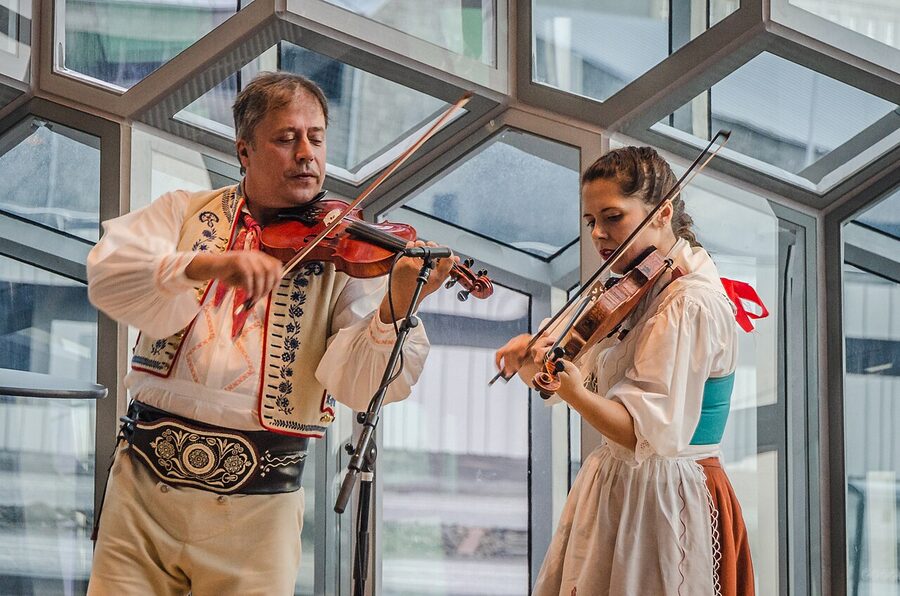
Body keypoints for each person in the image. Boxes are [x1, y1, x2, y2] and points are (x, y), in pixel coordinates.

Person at [85, 72, 455, 595]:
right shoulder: (184, 211)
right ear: (244, 150)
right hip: (142, 491)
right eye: (286, 139)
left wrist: (396, 304)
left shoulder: (344, 256)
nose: (306, 153)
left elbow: (359, 385)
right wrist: (204, 266)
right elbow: (109, 275)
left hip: (259, 512)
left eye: (317, 138)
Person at [495, 147, 755, 596]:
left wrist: (576, 393)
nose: (599, 234)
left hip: (668, 496)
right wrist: (536, 358)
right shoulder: (636, 285)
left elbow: (641, 433)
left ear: (662, 212)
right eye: (590, 221)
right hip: (624, 490)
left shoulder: (688, 302)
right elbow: (567, 377)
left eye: (613, 217)